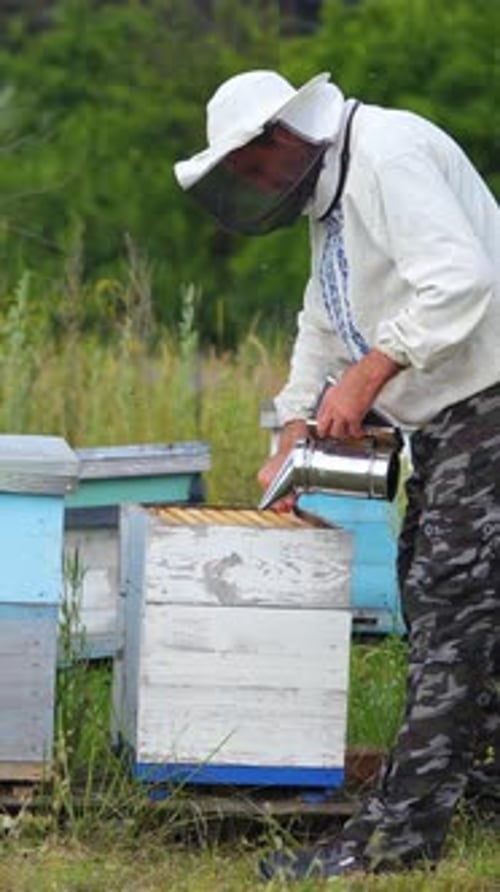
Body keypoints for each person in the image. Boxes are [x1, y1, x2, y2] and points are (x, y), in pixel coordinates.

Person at [174, 70, 500, 880]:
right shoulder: (336, 190)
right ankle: (479, 790)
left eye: (246, 169)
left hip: (488, 403)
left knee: (452, 613)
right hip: (455, 420)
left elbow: (460, 278)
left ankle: (393, 845)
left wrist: (369, 376)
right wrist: (295, 415)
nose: (251, 187)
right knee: (445, 601)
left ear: (278, 139)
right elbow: (325, 318)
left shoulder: (388, 153)